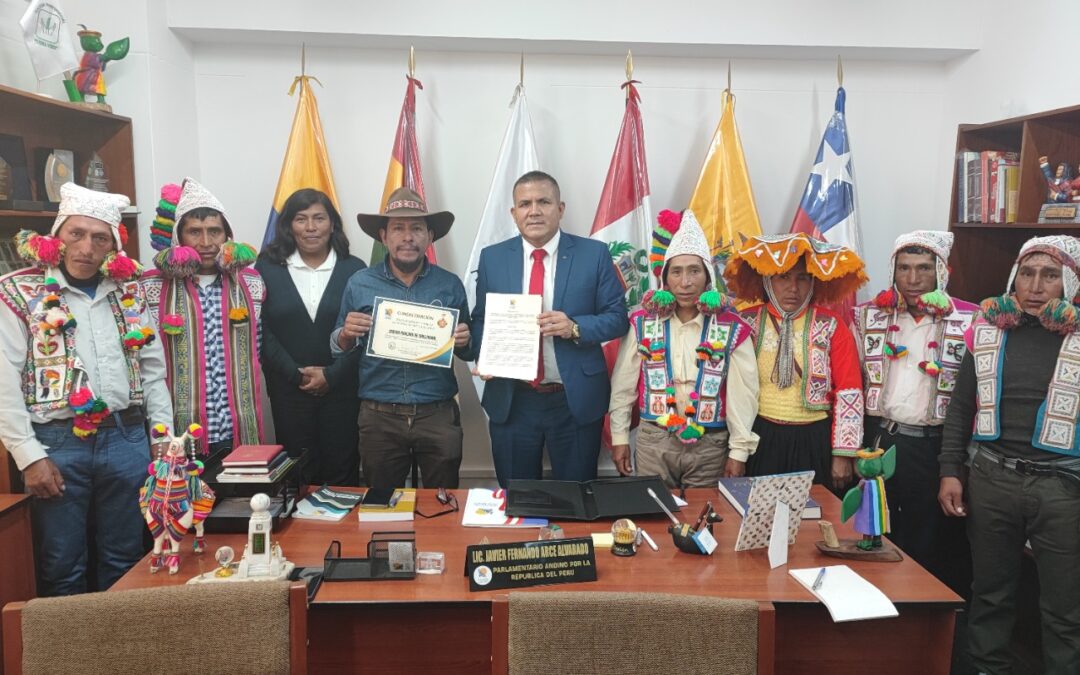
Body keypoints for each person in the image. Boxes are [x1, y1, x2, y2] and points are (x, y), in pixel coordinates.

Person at [0, 183, 172, 595]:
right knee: (61, 564)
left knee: (127, 558)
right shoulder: (18, 291)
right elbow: (3, 380)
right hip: (56, 443)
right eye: (75, 234)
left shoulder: (130, 291)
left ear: (113, 245)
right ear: (56, 237)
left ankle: (120, 657)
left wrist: (162, 437)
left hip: (127, 437)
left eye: (99, 238)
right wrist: (29, 457)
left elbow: (153, 370)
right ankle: (70, 660)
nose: (86, 248)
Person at [940, 235, 1080, 674]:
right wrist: (950, 471)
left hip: (1064, 488)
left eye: (1050, 276)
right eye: (1027, 274)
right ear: (1013, 281)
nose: (1036, 287)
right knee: (991, 593)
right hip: (992, 479)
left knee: (1064, 604)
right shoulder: (985, 332)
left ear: (1069, 286)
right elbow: (961, 407)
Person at [472, 171, 629, 485]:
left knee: (577, 498)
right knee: (518, 498)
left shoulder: (593, 254)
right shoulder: (493, 258)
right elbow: (481, 320)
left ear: (561, 208)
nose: (534, 210)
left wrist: (574, 327)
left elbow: (618, 318)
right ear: (513, 213)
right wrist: (485, 355)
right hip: (513, 399)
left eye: (543, 201)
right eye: (525, 203)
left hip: (573, 400)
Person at [852, 230, 978, 593]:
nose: (913, 279)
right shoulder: (869, 317)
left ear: (942, 271)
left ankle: (920, 620)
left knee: (930, 540)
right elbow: (852, 381)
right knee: (876, 531)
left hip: (936, 446)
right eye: (904, 268)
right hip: (882, 439)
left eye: (923, 268)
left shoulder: (970, 321)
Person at [331, 187, 474, 489]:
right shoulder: (359, 283)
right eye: (398, 228)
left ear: (430, 237)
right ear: (383, 236)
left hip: (437, 413)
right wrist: (345, 334)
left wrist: (465, 340)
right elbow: (337, 348)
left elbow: (469, 351)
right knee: (383, 511)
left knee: (443, 505)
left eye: (417, 228)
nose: (407, 237)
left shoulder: (450, 285)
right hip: (379, 417)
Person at [608, 209, 758, 488]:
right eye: (676, 272)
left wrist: (739, 451)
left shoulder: (731, 327)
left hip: (711, 445)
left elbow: (744, 394)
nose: (686, 282)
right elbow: (623, 385)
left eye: (694, 271)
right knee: (654, 517)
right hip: (654, 441)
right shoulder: (642, 322)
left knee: (706, 520)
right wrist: (619, 438)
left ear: (708, 276)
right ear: (665, 278)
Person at [723, 233, 867, 491]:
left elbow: (849, 391)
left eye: (803, 278)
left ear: (813, 282)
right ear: (767, 279)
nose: (793, 288)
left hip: (815, 439)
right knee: (759, 518)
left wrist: (843, 454)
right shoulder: (746, 322)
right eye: (784, 277)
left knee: (812, 520)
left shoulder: (832, 325)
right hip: (760, 437)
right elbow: (732, 388)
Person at [142, 178, 266, 464]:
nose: (207, 243)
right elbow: (145, 363)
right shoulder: (150, 286)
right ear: (179, 237)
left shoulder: (251, 282)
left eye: (215, 231)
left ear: (227, 235)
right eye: (195, 232)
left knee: (243, 505)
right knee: (185, 507)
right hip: (177, 433)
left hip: (237, 428)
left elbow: (258, 347)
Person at [257, 189, 367, 485]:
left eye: (319, 218)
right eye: (301, 219)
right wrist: (296, 374)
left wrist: (331, 374)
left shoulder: (354, 269)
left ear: (332, 224)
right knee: (297, 476)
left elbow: (366, 334)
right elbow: (260, 328)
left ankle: (343, 533)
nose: (310, 227)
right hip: (289, 391)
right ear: (288, 226)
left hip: (343, 391)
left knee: (342, 472)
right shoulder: (266, 268)